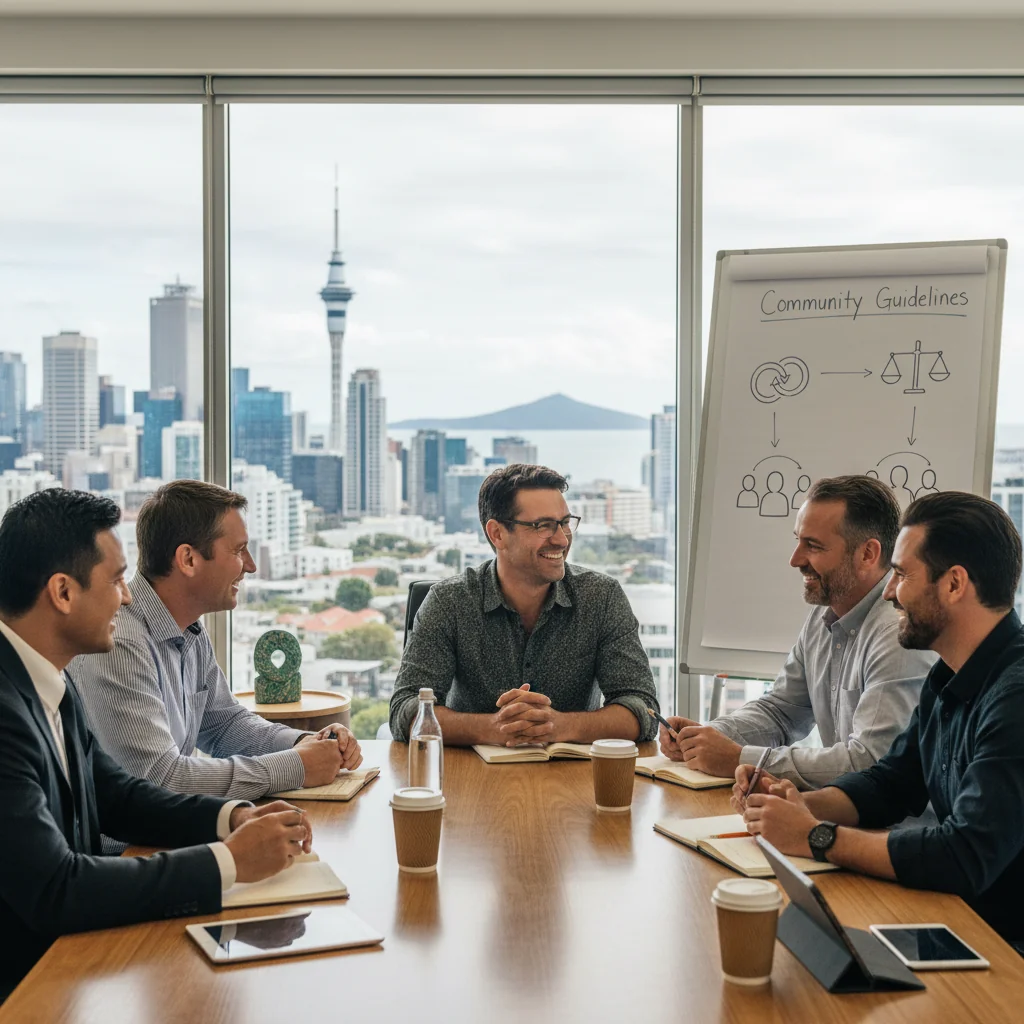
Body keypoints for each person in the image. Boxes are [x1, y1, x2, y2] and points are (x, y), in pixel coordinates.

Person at [0, 489, 312, 998]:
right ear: (62, 592)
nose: (127, 596)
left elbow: (117, 795)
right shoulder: (5, 710)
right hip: (29, 987)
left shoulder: (49, 681)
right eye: (117, 580)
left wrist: (230, 817)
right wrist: (227, 862)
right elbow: (57, 888)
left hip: (72, 965)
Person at [738, 492, 1024, 950]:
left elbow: (965, 854)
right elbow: (893, 783)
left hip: (1003, 948)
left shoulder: (1015, 699)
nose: (889, 592)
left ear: (954, 584)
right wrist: (802, 805)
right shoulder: (949, 672)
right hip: (956, 923)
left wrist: (816, 837)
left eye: (902, 575)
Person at [73, 480, 361, 804]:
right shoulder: (121, 643)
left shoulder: (189, 627)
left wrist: (309, 744)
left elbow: (224, 724)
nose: (250, 566)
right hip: (125, 850)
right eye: (238, 550)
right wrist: (296, 766)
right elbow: (159, 780)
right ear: (188, 560)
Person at [660, 475, 935, 788]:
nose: (795, 560)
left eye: (813, 546)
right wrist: (707, 737)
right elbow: (780, 712)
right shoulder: (824, 614)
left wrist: (740, 759)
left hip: (888, 830)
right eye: (798, 541)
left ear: (868, 554)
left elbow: (870, 761)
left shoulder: (897, 634)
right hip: (841, 814)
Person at [389, 463, 659, 746]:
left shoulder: (601, 597)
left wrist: (559, 726)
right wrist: (493, 728)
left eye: (565, 522)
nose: (561, 539)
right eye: (543, 526)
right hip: (469, 779)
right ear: (497, 534)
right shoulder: (450, 602)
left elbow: (643, 709)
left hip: (574, 778)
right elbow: (405, 712)